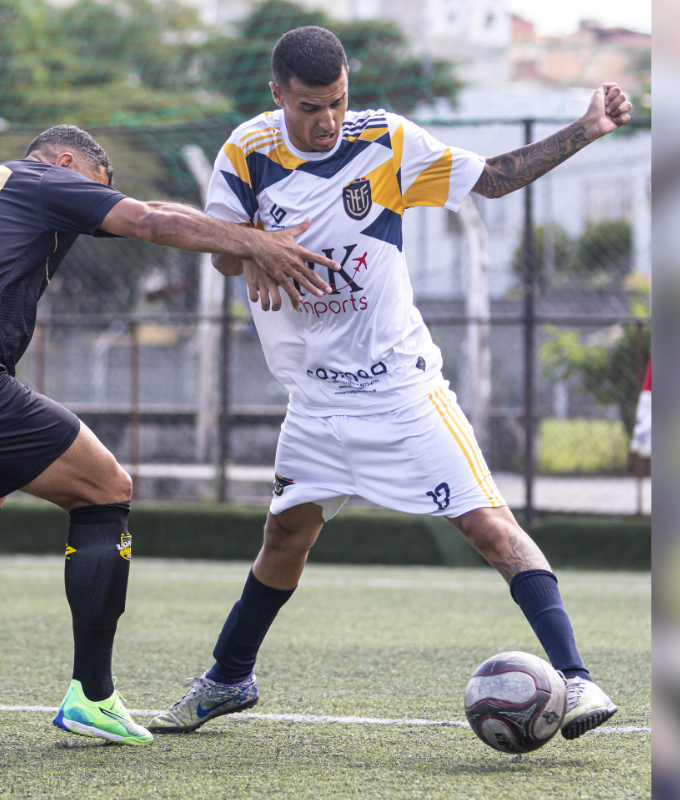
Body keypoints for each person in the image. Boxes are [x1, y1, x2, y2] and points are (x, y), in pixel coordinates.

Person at [148, 27, 632, 740]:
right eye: (310, 106)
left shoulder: (389, 142)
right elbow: (217, 249)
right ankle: (228, 679)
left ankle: (580, 679)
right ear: (277, 95)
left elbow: (493, 178)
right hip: (316, 398)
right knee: (284, 537)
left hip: (404, 391)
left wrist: (585, 129)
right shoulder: (245, 152)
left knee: (488, 526)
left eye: (338, 101)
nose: (328, 120)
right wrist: (251, 246)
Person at [0, 124, 337, 745]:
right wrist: (260, 246)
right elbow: (147, 220)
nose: (99, 204)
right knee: (105, 488)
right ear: (67, 162)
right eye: (100, 188)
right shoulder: (47, 181)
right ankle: (92, 695)